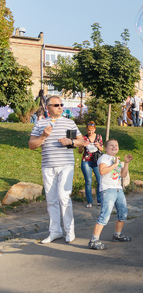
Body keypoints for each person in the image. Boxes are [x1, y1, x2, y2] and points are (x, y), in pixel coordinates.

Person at [29, 96, 84, 244]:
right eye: (56, 105)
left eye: (61, 105)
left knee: (63, 197)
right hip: (48, 166)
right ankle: (55, 232)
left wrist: (71, 141)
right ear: (48, 108)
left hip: (66, 164)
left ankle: (69, 231)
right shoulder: (41, 124)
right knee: (51, 200)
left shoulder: (69, 123)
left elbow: (81, 142)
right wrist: (43, 136)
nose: (60, 107)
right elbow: (32, 145)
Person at [87, 139, 133, 250]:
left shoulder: (115, 159)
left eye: (116, 145)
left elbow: (123, 175)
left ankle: (117, 235)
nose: (114, 147)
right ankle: (93, 240)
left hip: (118, 189)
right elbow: (102, 171)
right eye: (111, 145)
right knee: (105, 215)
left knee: (123, 213)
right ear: (105, 148)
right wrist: (115, 165)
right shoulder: (104, 158)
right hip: (108, 190)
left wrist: (125, 163)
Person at [78, 121, 103, 208]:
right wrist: (83, 146)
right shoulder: (83, 137)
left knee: (100, 180)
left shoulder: (99, 136)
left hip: (96, 160)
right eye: (89, 130)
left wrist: (98, 146)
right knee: (88, 181)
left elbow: (103, 149)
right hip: (86, 160)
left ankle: (99, 200)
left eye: (92, 130)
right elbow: (79, 151)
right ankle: (89, 201)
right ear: (86, 130)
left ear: (95, 129)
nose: (90, 132)